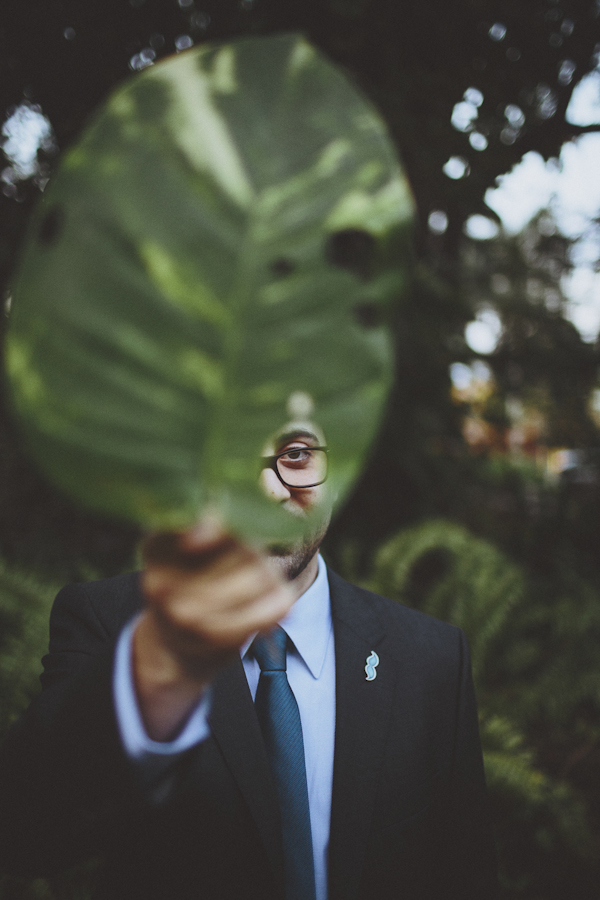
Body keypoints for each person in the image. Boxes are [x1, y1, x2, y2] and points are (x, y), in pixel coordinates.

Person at [0, 422, 497, 900]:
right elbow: (27, 837)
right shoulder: (109, 622)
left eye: (297, 454)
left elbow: (466, 878)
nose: (269, 492)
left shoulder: (432, 658)